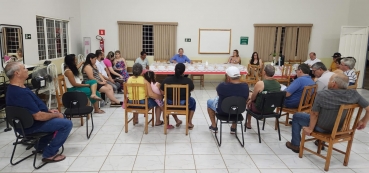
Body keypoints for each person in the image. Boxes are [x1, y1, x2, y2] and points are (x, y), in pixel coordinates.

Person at [5, 62, 72, 163]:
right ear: (17, 73)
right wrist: (55, 115)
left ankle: (40, 146)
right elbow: (38, 116)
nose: (27, 70)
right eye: (24, 68)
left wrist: (48, 111)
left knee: (59, 118)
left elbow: (30, 108)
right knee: (66, 123)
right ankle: (49, 154)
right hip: (31, 126)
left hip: (26, 124)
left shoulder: (14, 88)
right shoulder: (20, 93)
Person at [285, 73, 369, 153]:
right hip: (340, 128)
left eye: (329, 80)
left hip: (322, 127)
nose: (328, 82)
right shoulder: (353, 93)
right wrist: (364, 121)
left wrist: (310, 129)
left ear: (333, 84)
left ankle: (295, 145)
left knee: (296, 116)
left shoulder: (322, 94)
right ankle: (320, 142)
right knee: (321, 116)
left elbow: (314, 114)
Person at [207, 66, 249, 133]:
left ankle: (214, 126)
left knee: (209, 102)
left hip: (222, 111)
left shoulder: (222, 86)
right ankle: (233, 128)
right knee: (236, 103)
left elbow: (218, 94)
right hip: (238, 111)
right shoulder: (245, 86)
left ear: (228, 77)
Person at [160, 63, 196, 129]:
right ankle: (189, 123)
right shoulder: (188, 81)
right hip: (184, 103)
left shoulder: (167, 80)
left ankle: (176, 120)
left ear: (175, 69)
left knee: (169, 101)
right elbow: (192, 89)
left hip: (170, 103)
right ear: (184, 71)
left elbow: (162, 91)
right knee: (193, 101)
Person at [246, 65, 280, 129]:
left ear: (264, 72)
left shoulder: (260, 83)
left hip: (259, 109)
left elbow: (253, 98)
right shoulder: (278, 84)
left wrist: (250, 99)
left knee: (249, 97)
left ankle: (248, 124)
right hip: (271, 109)